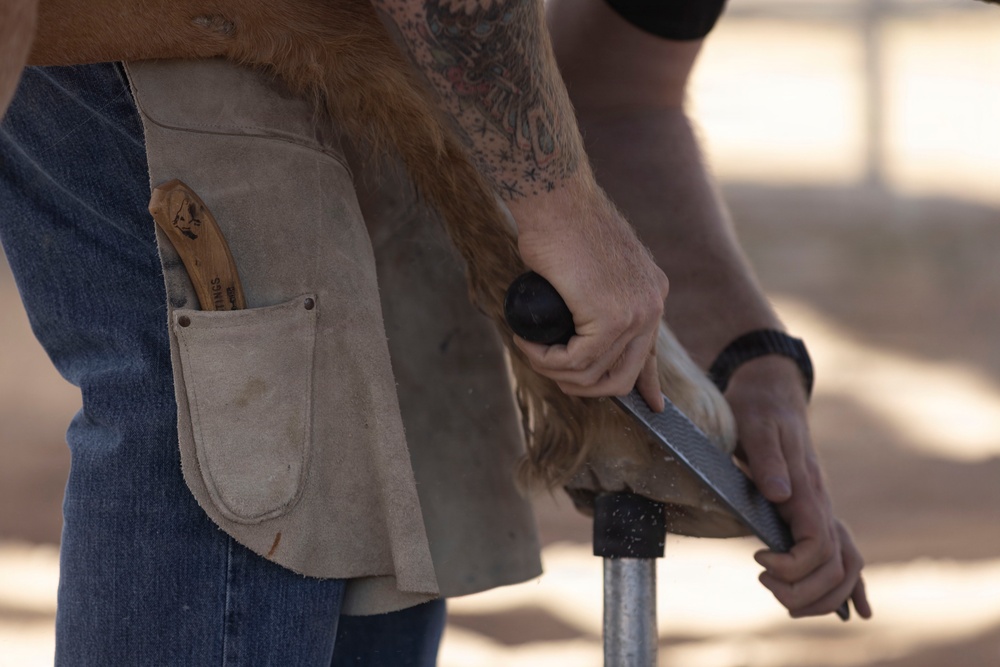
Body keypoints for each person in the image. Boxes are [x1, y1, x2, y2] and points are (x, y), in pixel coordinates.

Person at [0, 1, 868, 665]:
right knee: (246, 412)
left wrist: (752, 358)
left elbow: (618, 98)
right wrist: (559, 206)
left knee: (404, 410)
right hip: (158, 33)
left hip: (357, 40)